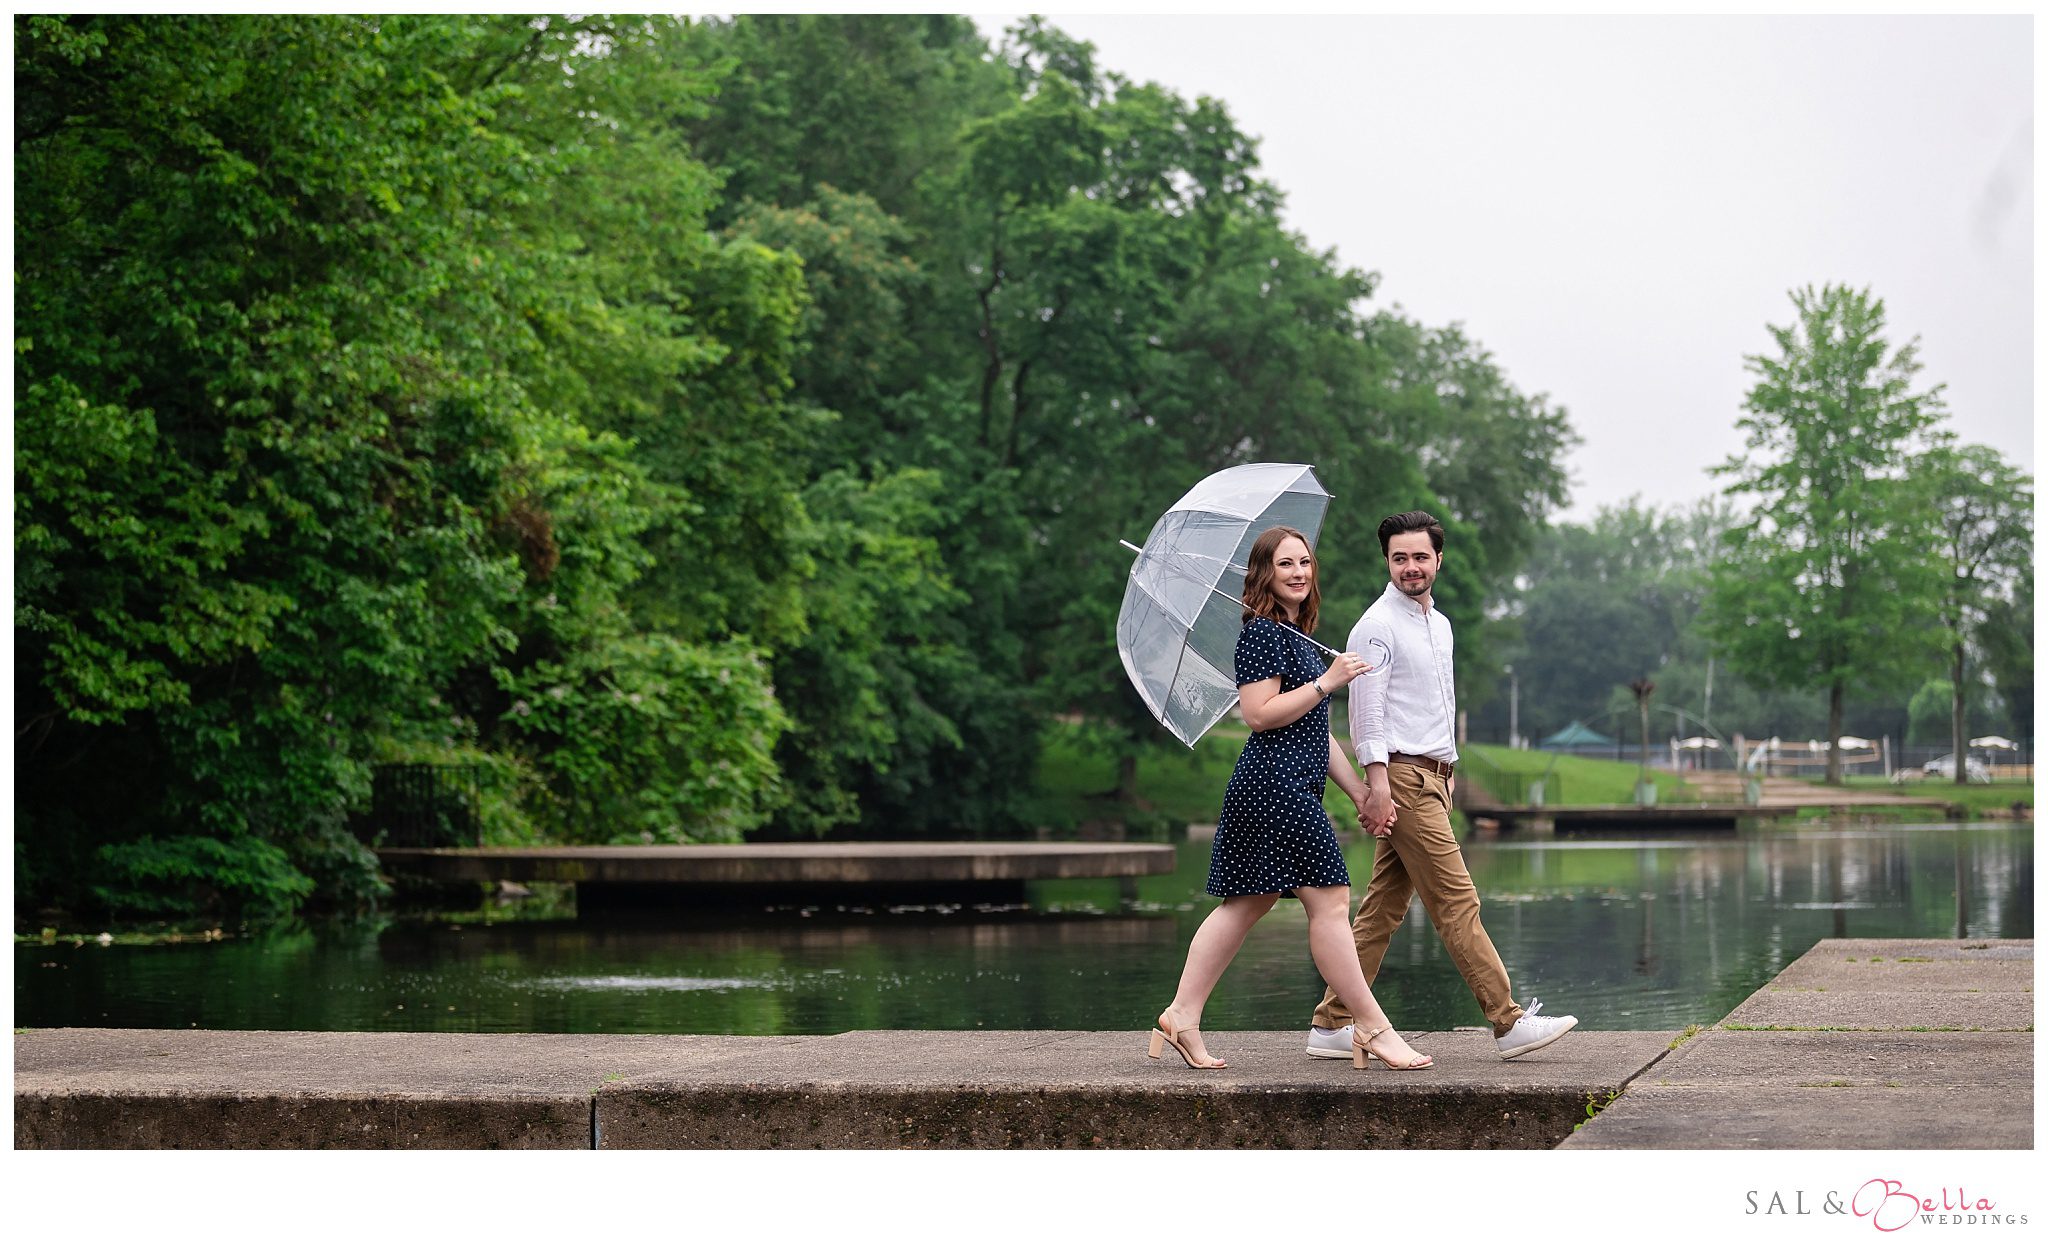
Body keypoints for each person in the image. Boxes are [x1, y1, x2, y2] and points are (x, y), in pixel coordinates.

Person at [1150, 525, 1433, 1072]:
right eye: (1285, 564)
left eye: (1305, 562)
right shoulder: (1260, 635)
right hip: (1274, 785)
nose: (1299, 572)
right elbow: (1258, 715)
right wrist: (1327, 682)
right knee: (1328, 902)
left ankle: (1181, 1016)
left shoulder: (1294, 636)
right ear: (1264, 574)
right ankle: (1372, 1025)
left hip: (1290, 784)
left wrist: (1361, 793)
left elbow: (1315, 732)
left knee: (1245, 904)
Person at [1304, 511, 1579, 1061]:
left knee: (1381, 908)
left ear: (1438, 561)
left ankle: (1332, 1023)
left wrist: (1443, 775)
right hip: (1403, 778)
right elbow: (1368, 711)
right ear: (1387, 561)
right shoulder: (1375, 627)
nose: (1410, 567)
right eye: (1399, 557)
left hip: (1437, 778)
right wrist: (1376, 782)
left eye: (1420, 557)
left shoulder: (1441, 625)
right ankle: (1507, 1020)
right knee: (1457, 900)